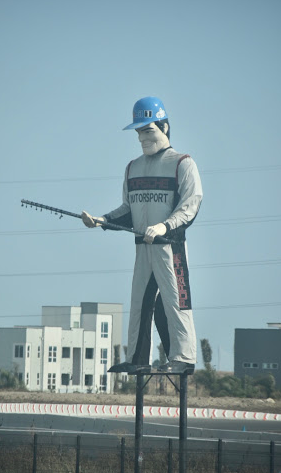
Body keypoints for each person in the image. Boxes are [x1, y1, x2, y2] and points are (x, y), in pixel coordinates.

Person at [82, 96, 203, 374]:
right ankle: (137, 357)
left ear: (165, 127)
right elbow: (129, 209)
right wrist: (103, 221)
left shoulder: (182, 163)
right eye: (138, 131)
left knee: (176, 300)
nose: (142, 137)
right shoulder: (132, 168)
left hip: (170, 248)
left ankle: (183, 357)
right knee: (139, 303)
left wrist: (165, 226)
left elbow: (190, 205)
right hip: (142, 249)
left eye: (148, 130)